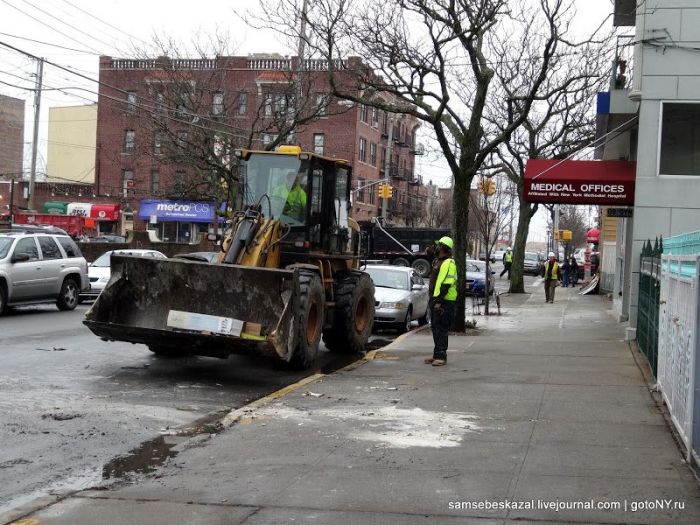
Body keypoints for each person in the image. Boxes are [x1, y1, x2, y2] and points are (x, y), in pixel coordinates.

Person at [425, 236, 457, 367]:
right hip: (436, 299)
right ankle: (436, 354)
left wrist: (439, 301)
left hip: (444, 300)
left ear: (443, 248)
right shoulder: (438, 261)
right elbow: (430, 253)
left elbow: (446, 284)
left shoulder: (448, 263)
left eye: (438, 246)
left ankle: (441, 356)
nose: (436, 248)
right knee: (435, 328)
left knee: (441, 328)